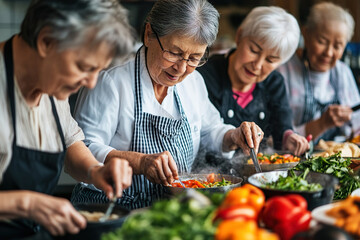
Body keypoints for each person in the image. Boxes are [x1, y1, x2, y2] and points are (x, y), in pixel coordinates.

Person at [72, 0, 264, 210]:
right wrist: (140, 162)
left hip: (172, 208)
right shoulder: (111, 81)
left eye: (194, 58)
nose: (181, 68)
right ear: (148, 34)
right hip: (113, 207)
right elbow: (84, 147)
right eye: (174, 53)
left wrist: (234, 136)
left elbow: (210, 130)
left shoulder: (194, 82)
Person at [0, 0, 134, 238]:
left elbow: (70, 143)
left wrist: (95, 171)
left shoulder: (51, 83)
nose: (91, 83)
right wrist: (27, 204)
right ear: (46, 42)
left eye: (97, 71)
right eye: (84, 67)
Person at [197, 6, 309, 156]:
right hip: (209, 174)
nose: (257, 65)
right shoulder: (204, 76)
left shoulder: (274, 83)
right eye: (254, 51)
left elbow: (282, 123)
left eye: (270, 60)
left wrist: (290, 138)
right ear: (239, 36)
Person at [277, 2, 360, 143]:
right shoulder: (283, 71)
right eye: (322, 41)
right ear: (306, 34)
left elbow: (357, 126)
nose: (328, 52)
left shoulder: (342, 71)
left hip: (338, 157)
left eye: (337, 46)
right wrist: (322, 123)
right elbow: (277, 137)